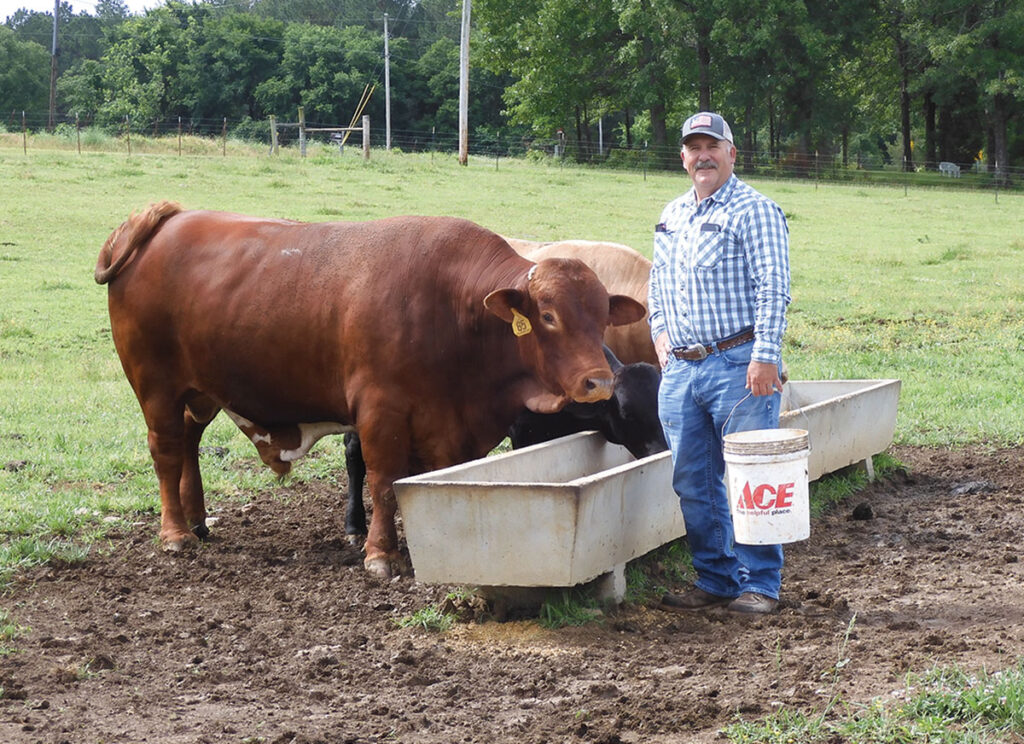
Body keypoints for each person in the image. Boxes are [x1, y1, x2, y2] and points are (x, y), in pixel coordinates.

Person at [648, 111, 791, 614]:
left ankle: (761, 585)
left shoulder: (756, 211)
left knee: (753, 476)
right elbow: (657, 286)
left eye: (713, 146)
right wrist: (661, 336)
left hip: (738, 364)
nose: (702, 155)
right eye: (693, 147)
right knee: (692, 479)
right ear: (683, 157)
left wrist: (765, 356)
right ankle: (716, 579)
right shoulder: (671, 214)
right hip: (681, 370)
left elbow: (773, 287)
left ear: (732, 153)